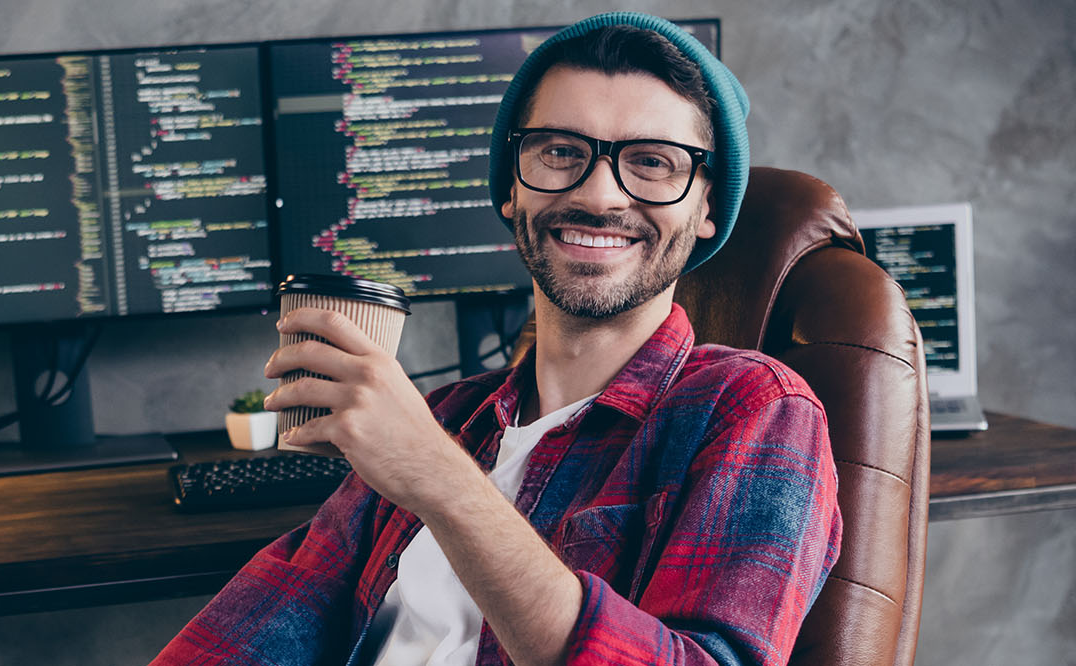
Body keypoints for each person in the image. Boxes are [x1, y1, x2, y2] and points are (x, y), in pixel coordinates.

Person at [154, 13, 842, 666]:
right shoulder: (446, 417)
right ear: (512, 187)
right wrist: (427, 454)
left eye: (653, 163)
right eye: (561, 152)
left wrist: (441, 481)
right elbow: (267, 620)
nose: (600, 195)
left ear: (707, 206)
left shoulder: (755, 410)